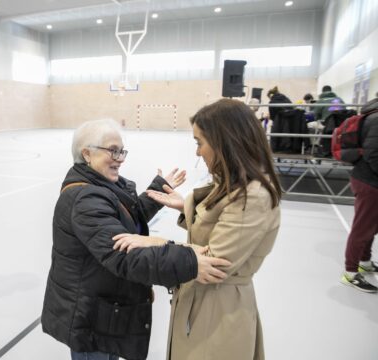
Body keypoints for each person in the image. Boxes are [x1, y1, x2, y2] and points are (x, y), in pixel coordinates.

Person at [41, 119, 231, 360]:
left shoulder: (101, 185)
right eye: (113, 150)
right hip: (90, 318)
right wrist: (189, 261)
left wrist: (158, 191)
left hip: (105, 310)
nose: (120, 158)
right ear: (87, 154)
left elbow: (123, 221)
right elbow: (123, 254)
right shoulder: (85, 198)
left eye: (121, 151)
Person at [113, 99, 282, 360]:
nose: (197, 152)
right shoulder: (233, 183)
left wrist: (156, 242)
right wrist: (186, 206)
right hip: (201, 302)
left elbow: (214, 262)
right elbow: (218, 220)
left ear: (224, 142)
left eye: (199, 142)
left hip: (219, 310)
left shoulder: (254, 196)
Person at [341, 97, 378, 293]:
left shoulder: (371, 114)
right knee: (362, 228)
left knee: (370, 226)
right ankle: (350, 273)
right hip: (369, 181)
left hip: (367, 179)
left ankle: (364, 261)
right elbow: (374, 154)